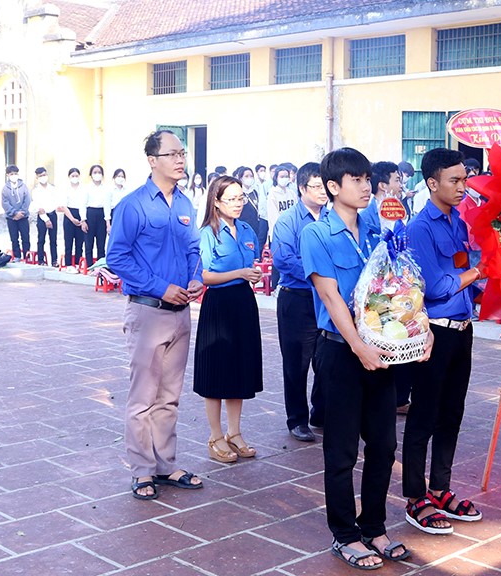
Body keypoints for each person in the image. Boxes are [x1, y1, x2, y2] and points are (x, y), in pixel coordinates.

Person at [301, 147, 422, 569]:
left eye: (368, 178)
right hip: (340, 351)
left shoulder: (376, 228)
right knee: (341, 451)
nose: (366, 186)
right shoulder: (316, 234)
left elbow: (397, 286)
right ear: (333, 187)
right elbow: (331, 297)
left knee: (385, 445)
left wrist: (414, 330)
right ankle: (345, 534)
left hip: (382, 352)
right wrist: (359, 347)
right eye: (356, 179)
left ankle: (374, 526)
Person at [106, 129, 205, 500]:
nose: (181, 160)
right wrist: (160, 287)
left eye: (183, 153)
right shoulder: (133, 205)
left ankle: (166, 464)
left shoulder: (184, 204)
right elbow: (117, 257)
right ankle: (142, 470)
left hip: (181, 312)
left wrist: (195, 278)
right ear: (152, 160)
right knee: (143, 396)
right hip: (148, 312)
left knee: (170, 395)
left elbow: (194, 248)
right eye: (173, 154)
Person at [396, 147, 482, 536]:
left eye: (464, 179)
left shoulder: (458, 223)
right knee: (424, 415)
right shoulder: (420, 228)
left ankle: (441, 489)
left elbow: (465, 275)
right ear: (432, 183)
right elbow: (435, 285)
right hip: (434, 332)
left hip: (463, 329)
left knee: (452, 413)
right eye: (455, 180)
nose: (463, 186)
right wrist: (479, 271)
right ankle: (415, 497)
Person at [193, 176, 264, 463]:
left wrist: (251, 274)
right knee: (217, 371)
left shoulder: (248, 229)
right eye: (231, 199)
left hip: (244, 304)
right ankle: (215, 436)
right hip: (218, 305)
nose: (238, 204)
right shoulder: (208, 233)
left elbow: (252, 263)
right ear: (216, 202)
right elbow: (205, 275)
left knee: (239, 368)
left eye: (241, 198)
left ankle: (235, 433)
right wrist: (239, 274)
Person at [272, 162, 328, 443]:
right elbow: (284, 260)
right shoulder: (288, 221)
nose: (322, 192)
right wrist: (319, 276)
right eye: (316, 187)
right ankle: (297, 419)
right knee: (296, 363)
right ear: (302, 188)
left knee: (326, 359)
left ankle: (320, 412)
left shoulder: (331, 218)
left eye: (324, 186)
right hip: (298, 299)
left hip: (328, 300)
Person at [359, 161, 402, 235]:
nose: (401, 185)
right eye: (397, 180)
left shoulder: (399, 212)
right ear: (382, 186)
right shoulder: (365, 218)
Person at [30, 167, 59, 266]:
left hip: (53, 214)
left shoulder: (53, 188)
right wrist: (46, 220)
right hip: (42, 216)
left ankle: (54, 260)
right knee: (41, 239)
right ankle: (41, 260)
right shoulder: (36, 191)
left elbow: (56, 202)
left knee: (53, 239)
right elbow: (39, 208)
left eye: (44, 175)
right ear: (37, 177)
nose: (43, 177)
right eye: (40, 176)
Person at [1, 165, 31, 261]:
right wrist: (14, 213)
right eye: (11, 174)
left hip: (23, 216)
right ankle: (17, 256)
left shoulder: (24, 187)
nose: (14, 175)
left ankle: (27, 256)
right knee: (14, 238)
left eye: (15, 174)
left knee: (25, 237)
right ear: (7, 175)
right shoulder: (5, 189)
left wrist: (22, 212)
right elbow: (5, 203)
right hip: (11, 218)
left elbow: (27, 200)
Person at [234, 165, 269, 244]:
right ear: (240, 178)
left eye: (251, 176)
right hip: (241, 226)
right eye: (246, 176)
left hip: (255, 226)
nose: (249, 178)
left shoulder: (254, 192)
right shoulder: (238, 192)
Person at [84, 164, 109, 267]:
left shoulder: (106, 188)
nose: (97, 174)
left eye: (99, 172)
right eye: (95, 172)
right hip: (90, 213)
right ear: (91, 174)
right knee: (89, 243)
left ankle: (100, 266)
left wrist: (107, 219)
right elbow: (83, 204)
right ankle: (89, 266)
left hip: (101, 213)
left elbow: (107, 204)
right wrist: (83, 220)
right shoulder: (86, 188)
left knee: (101, 242)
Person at [61, 167, 86, 270]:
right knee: (68, 241)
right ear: (69, 177)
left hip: (81, 214)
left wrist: (82, 219)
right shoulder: (65, 189)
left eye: (76, 176)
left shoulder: (84, 189)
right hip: (69, 215)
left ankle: (78, 263)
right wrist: (72, 219)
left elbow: (84, 203)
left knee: (80, 242)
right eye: (73, 176)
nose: (75, 178)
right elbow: (63, 206)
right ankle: (68, 264)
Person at [267, 165, 297, 237]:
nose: (284, 179)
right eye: (282, 177)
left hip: (292, 230)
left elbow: (296, 211)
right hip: (279, 232)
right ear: (276, 178)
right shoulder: (272, 194)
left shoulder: (292, 193)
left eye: (286, 176)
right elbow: (273, 217)